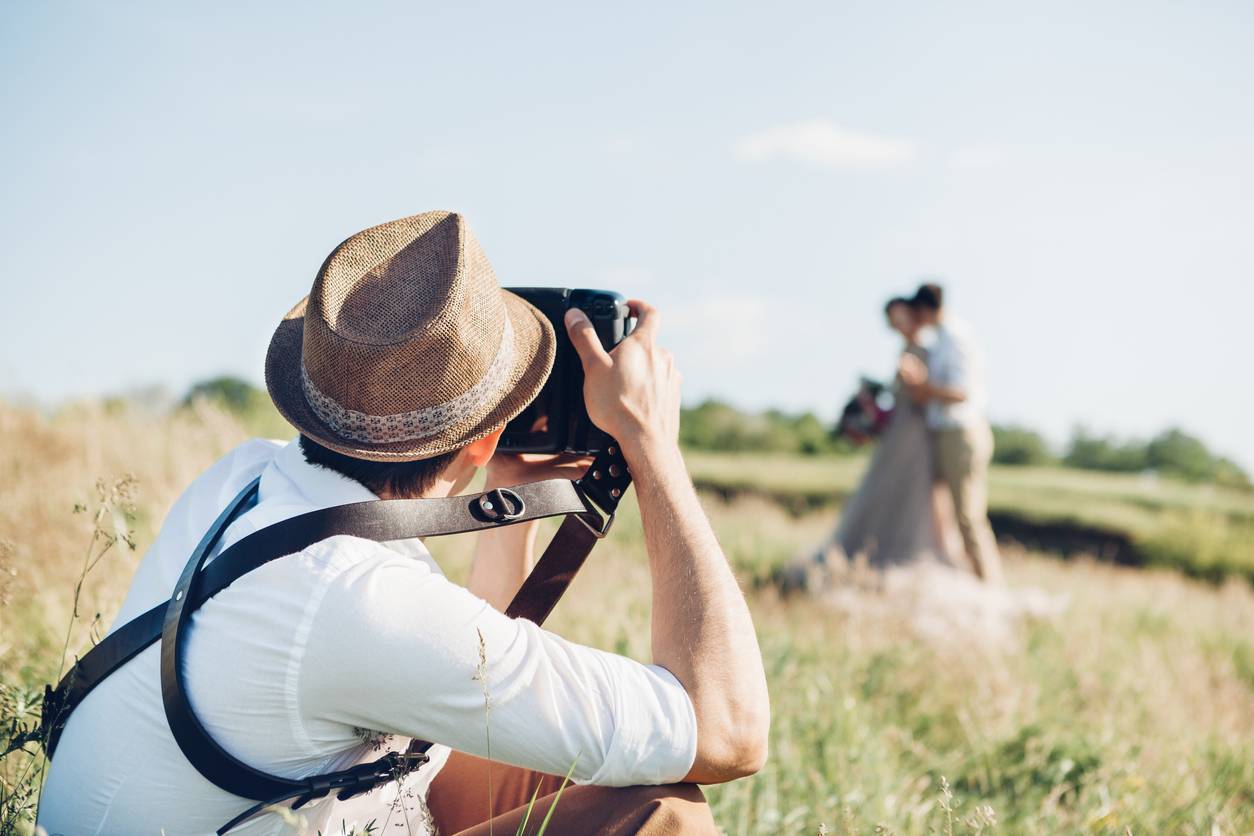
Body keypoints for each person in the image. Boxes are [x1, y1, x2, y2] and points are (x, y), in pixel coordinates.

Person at [38, 211, 770, 835]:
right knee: (665, 812)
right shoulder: (356, 598)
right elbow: (729, 734)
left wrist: (508, 492)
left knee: (529, 761)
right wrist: (653, 450)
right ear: (483, 434)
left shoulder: (247, 476)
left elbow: (452, 669)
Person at [815, 298, 955, 570]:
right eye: (893, 321)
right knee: (883, 490)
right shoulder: (907, 348)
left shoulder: (926, 350)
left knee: (912, 493)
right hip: (898, 430)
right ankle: (870, 553)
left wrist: (916, 384)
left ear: (914, 316)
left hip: (914, 432)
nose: (898, 326)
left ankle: (907, 554)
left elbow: (923, 395)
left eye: (901, 318)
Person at [898, 283, 1004, 583]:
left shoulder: (956, 339)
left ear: (926, 310)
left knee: (968, 515)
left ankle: (990, 584)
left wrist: (922, 386)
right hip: (946, 433)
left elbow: (962, 393)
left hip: (961, 433)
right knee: (945, 514)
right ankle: (969, 577)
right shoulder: (941, 338)